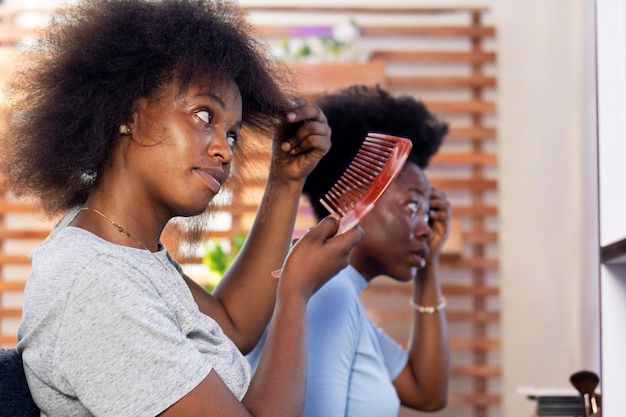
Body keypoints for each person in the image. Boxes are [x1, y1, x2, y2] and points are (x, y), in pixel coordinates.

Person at [0, 1, 362, 416]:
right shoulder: (96, 283)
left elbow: (234, 324)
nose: (224, 149)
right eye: (203, 114)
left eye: (233, 135)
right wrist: (295, 292)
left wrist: (285, 178)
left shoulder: (127, 252)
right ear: (129, 114)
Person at [247, 84, 451, 416]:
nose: (426, 229)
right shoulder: (329, 296)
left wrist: (429, 267)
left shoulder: (340, 297)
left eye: (428, 213)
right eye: (413, 205)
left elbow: (427, 392)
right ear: (358, 197)